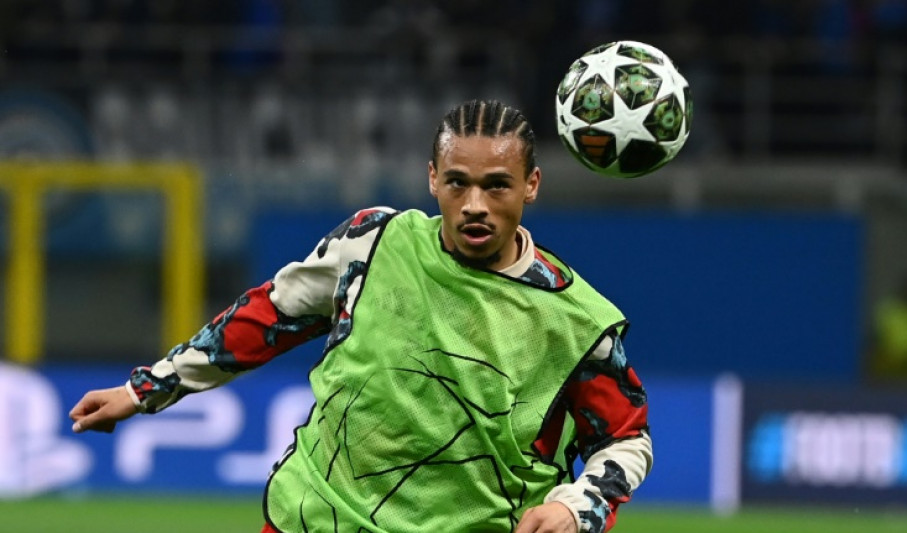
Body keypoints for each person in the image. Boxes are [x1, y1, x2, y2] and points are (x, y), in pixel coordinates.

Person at [69, 99, 652, 533]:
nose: (475, 205)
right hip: (314, 516)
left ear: (531, 185)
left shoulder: (575, 321)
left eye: (497, 186)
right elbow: (266, 317)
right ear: (432, 179)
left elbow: (626, 440)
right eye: (457, 183)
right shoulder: (372, 243)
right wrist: (147, 389)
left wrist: (576, 508)